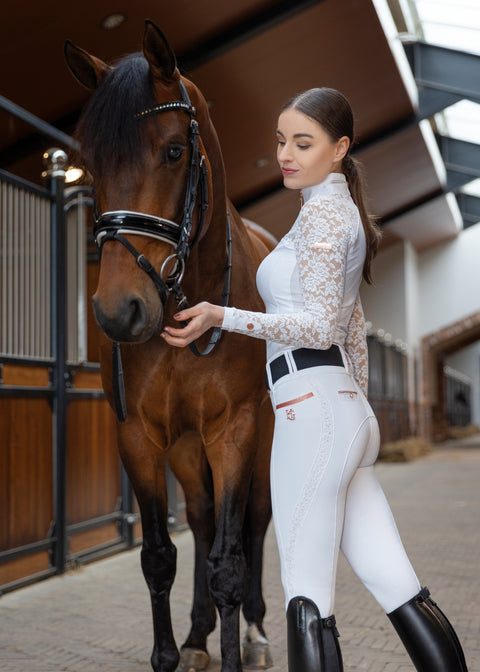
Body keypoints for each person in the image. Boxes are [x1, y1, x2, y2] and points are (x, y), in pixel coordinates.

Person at [162, 87, 468, 672]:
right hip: (336, 410)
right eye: (282, 141)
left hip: (312, 412)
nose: (286, 153)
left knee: (306, 595)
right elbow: (353, 326)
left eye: (304, 143)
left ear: (339, 149)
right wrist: (356, 411)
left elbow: (321, 324)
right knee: (397, 583)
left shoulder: (327, 214)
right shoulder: (325, 212)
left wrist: (221, 314)